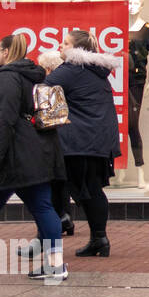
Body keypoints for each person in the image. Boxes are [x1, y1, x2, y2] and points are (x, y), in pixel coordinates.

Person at [0, 34, 68, 283]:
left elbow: (3, 119)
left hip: (10, 157)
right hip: (34, 154)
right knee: (43, 208)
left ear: (5, 51)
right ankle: (56, 266)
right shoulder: (32, 75)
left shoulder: (6, 78)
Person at [45, 30, 122, 257]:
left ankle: (94, 237)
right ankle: (98, 238)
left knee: (80, 190)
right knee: (92, 190)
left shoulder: (71, 70)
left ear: (77, 49)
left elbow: (42, 87)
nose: (60, 45)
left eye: (66, 43)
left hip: (80, 140)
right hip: (97, 139)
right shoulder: (96, 70)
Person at [36, 49, 74, 238]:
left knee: (53, 183)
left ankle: (56, 223)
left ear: (49, 69)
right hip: (67, 139)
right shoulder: (68, 84)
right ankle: (65, 218)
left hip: (56, 139)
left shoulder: (50, 87)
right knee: (61, 183)